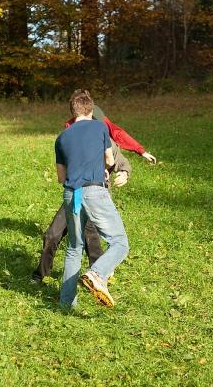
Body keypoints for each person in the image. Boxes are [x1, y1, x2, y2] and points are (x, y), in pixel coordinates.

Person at [31, 99, 156, 283]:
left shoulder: (104, 139)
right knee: (52, 234)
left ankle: (98, 276)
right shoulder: (73, 138)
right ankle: (41, 274)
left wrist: (124, 173)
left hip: (96, 197)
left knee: (91, 239)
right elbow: (62, 170)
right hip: (74, 195)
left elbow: (120, 161)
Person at [55, 90, 130, 308]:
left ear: (73, 111)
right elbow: (108, 158)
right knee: (120, 242)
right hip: (94, 191)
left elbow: (61, 177)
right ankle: (97, 274)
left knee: (74, 247)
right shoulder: (100, 127)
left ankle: (66, 303)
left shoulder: (62, 137)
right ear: (91, 109)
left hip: (71, 194)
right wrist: (103, 169)